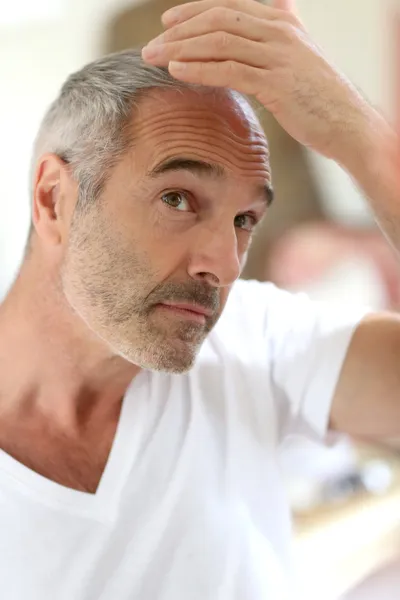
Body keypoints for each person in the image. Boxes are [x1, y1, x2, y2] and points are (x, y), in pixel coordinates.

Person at [1, 0, 400, 598]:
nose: (224, 264)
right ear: (54, 198)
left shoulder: (252, 338)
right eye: (178, 198)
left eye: (244, 219)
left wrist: (360, 138)